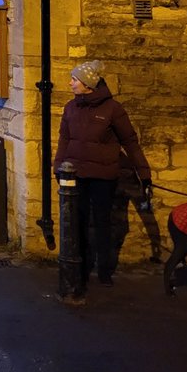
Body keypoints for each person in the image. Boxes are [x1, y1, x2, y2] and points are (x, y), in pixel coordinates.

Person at [53, 60, 152, 289]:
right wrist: (58, 165)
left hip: (102, 176)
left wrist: (143, 172)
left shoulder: (112, 109)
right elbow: (64, 139)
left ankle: (105, 269)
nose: (70, 83)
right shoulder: (71, 107)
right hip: (76, 174)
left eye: (74, 80)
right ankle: (81, 266)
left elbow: (130, 142)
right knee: (77, 221)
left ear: (88, 84)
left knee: (101, 221)